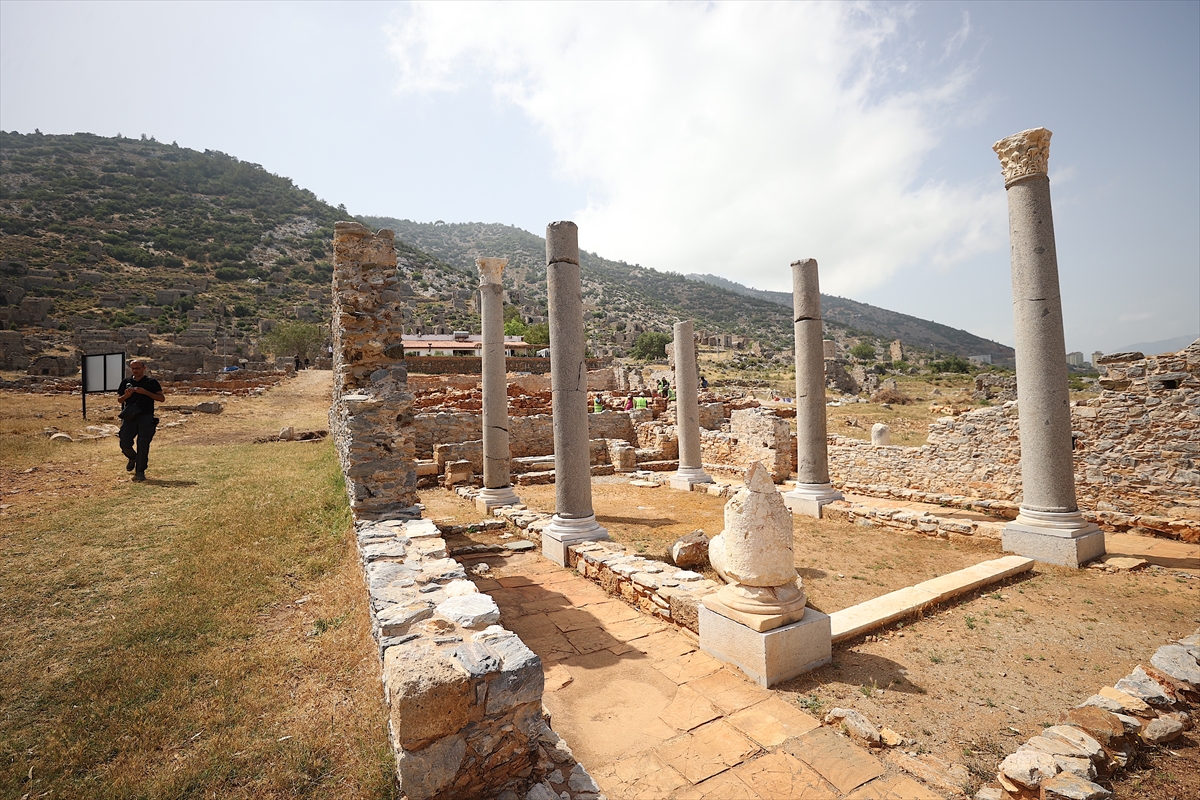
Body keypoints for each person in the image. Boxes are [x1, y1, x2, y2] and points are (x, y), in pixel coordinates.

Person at [117, 359, 165, 482]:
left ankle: (140, 471)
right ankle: (133, 457)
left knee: (143, 445)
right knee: (124, 442)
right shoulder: (126, 382)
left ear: (144, 368)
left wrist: (145, 392)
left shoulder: (151, 382)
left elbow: (161, 398)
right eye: (133, 368)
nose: (135, 371)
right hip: (130, 417)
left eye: (137, 368)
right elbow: (120, 400)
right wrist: (126, 396)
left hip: (146, 417)